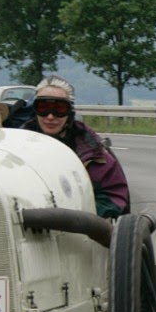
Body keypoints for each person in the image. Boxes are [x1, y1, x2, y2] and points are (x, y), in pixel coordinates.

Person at [22, 75, 130, 219]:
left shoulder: (92, 149)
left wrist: (84, 216)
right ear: (35, 110)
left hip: (78, 228)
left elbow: (114, 195)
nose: (50, 116)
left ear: (69, 111)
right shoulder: (18, 142)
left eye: (59, 109)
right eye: (43, 108)